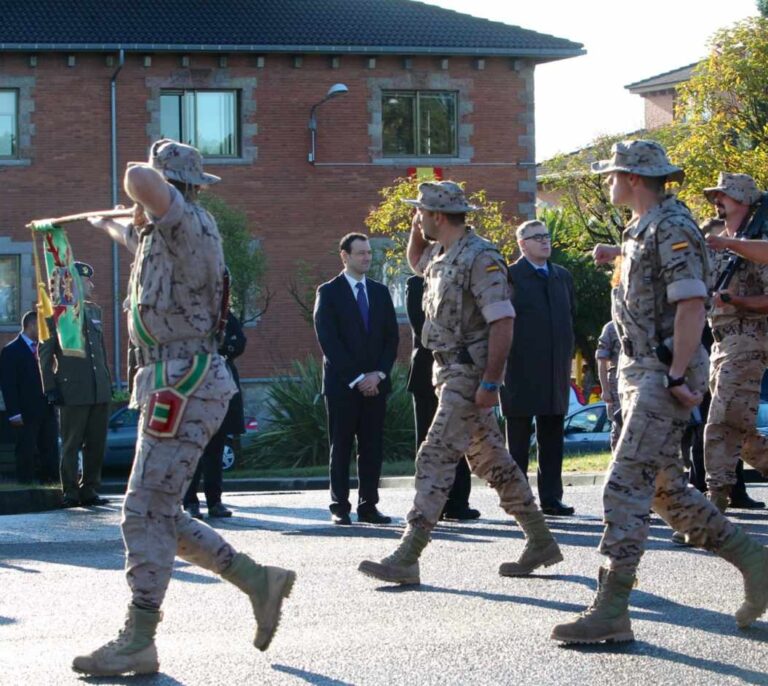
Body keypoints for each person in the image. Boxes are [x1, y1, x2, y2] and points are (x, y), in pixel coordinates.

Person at [73, 139, 295, 677]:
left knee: (141, 509)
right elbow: (135, 234)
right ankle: (256, 580)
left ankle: (140, 636)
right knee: (160, 511)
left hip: (187, 379)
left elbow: (136, 177)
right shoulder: (160, 236)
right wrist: (105, 223)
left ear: (177, 189)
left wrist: (146, 189)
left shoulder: (188, 222)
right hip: (169, 378)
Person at [552, 140, 768, 645]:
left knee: (624, 486)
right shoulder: (640, 228)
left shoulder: (671, 225)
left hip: (658, 373)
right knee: (664, 489)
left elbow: (692, 303)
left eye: (611, 174)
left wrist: (675, 374)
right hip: (637, 370)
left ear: (631, 178)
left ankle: (612, 606)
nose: (607, 182)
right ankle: (753, 558)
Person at [358, 180, 562, 585]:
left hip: (469, 374)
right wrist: (418, 225)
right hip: (446, 371)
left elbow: (503, 320)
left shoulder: (480, 256)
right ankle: (540, 540)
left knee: (434, 455)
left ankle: (408, 555)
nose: (416, 219)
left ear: (437, 216)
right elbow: (416, 261)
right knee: (493, 461)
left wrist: (491, 382)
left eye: (421, 213)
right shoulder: (441, 252)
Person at [313, 232, 399, 526]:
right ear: (344, 256)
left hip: (376, 385)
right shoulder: (329, 292)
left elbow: (391, 338)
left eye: (369, 253)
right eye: (361, 253)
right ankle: (339, 506)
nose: (367, 258)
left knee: (372, 447)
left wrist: (378, 374)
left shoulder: (380, 292)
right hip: (343, 386)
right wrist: (357, 377)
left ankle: (369, 506)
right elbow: (329, 340)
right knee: (341, 446)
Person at [700, 173, 768, 512]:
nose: (717, 200)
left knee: (720, 421)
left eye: (723, 195)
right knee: (742, 435)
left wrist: (737, 300)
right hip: (719, 345)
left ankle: (714, 504)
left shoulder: (757, 244)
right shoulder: (715, 241)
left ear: (742, 200)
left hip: (748, 341)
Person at [501, 219, 576, 517]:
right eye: (537, 237)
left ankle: (551, 499)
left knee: (552, 438)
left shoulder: (561, 276)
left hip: (554, 370)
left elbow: (570, 318)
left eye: (546, 236)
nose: (545, 241)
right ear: (522, 244)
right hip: (519, 371)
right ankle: (518, 501)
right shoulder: (510, 276)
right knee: (518, 441)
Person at [405, 274, 480, 521]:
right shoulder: (417, 284)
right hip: (428, 371)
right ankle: (430, 503)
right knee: (430, 439)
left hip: (460, 371)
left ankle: (459, 501)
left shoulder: (459, 278)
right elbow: (422, 328)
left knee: (458, 436)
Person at [38, 262, 112, 508]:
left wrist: (107, 382)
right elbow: (46, 353)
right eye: (86, 281)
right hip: (73, 390)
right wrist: (50, 388)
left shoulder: (94, 311)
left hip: (97, 389)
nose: (91, 285)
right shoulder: (56, 315)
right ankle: (70, 491)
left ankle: (90, 488)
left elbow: (100, 351)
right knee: (71, 444)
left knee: (96, 443)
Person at [183, 310, 246, 519]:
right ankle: (190, 502)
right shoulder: (188, 312)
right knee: (193, 452)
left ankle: (215, 501)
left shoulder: (225, 316)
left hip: (220, 389)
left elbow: (239, 342)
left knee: (215, 452)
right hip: (194, 390)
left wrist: (220, 345)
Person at [0, 310, 59, 484]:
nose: (43, 331)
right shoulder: (11, 350)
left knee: (49, 447)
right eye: (40, 326)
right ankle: (25, 482)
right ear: (31, 325)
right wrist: (14, 413)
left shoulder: (44, 348)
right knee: (25, 448)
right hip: (25, 412)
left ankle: (50, 480)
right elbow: (8, 385)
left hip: (46, 409)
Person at [596, 320, 621, 452]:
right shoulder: (611, 328)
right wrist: (605, 390)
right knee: (618, 425)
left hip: (639, 380)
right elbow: (601, 360)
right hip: (617, 383)